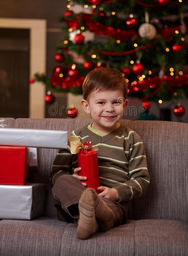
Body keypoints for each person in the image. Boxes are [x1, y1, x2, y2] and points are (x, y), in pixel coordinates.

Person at [50, 67, 150, 240]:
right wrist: (71, 178)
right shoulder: (76, 138)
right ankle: (86, 214)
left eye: (116, 102)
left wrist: (116, 193)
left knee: (106, 210)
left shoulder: (131, 139)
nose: (110, 109)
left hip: (112, 205)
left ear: (125, 104)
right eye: (101, 103)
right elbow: (56, 173)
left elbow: (142, 179)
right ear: (86, 106)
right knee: (62, 182)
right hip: (75, 200)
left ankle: (91, 219)